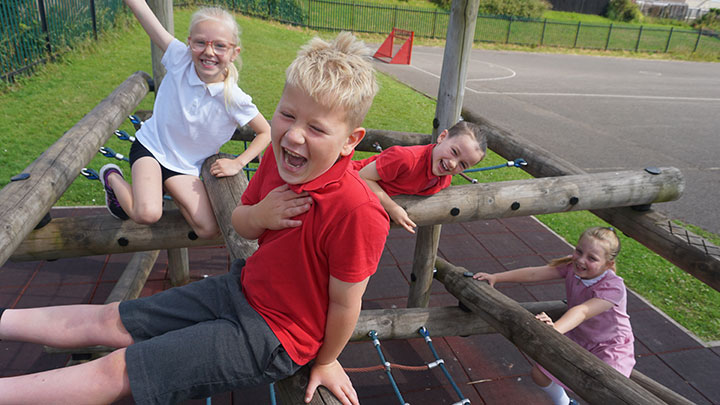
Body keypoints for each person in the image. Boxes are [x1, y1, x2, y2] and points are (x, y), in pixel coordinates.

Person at [0, 32, 388, 405]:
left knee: (119, 369)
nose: (293, 136)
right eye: (287, 115)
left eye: (317, 128)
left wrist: (325, 361)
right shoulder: (278, 158)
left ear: (351, 140)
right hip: (243, 289)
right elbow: (240, 223)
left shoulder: (356, 211)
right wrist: (261, 213)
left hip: (272, 335)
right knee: (112, 319)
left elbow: (344, 304)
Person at [100, 1, 272, 239]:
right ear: (190, 43)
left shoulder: (234, 98)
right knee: (147, 213)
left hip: (185, 168)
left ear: (234, 53)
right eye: (201, 42)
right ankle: (112, 177)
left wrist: (239, 163)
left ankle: (164, 188)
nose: (209, 51)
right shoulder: (180, 59)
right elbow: (148, 20)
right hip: (152, 148)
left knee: (208, 229)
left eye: (220, 46)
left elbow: (266, 132)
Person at [473, 226, 635, 405]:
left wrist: (555, 329)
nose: (581, 260)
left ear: (608, 264)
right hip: (579, 335)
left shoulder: (612, 288)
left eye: (592, 258)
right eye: (579, 251)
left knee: (608, 392)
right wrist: (496, 277)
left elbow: (582, 311)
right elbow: (534, 273)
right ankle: (564, 404)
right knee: (540, 374)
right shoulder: (572, 267)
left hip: (610, 346)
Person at [352, 120, 486, 233]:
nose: (452, 163)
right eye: (454, 151)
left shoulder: (443, 179)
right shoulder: (406, 159)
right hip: (347, 182)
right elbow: (363, 176)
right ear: (442, 137)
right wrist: (392, 208)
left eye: (462, 164)